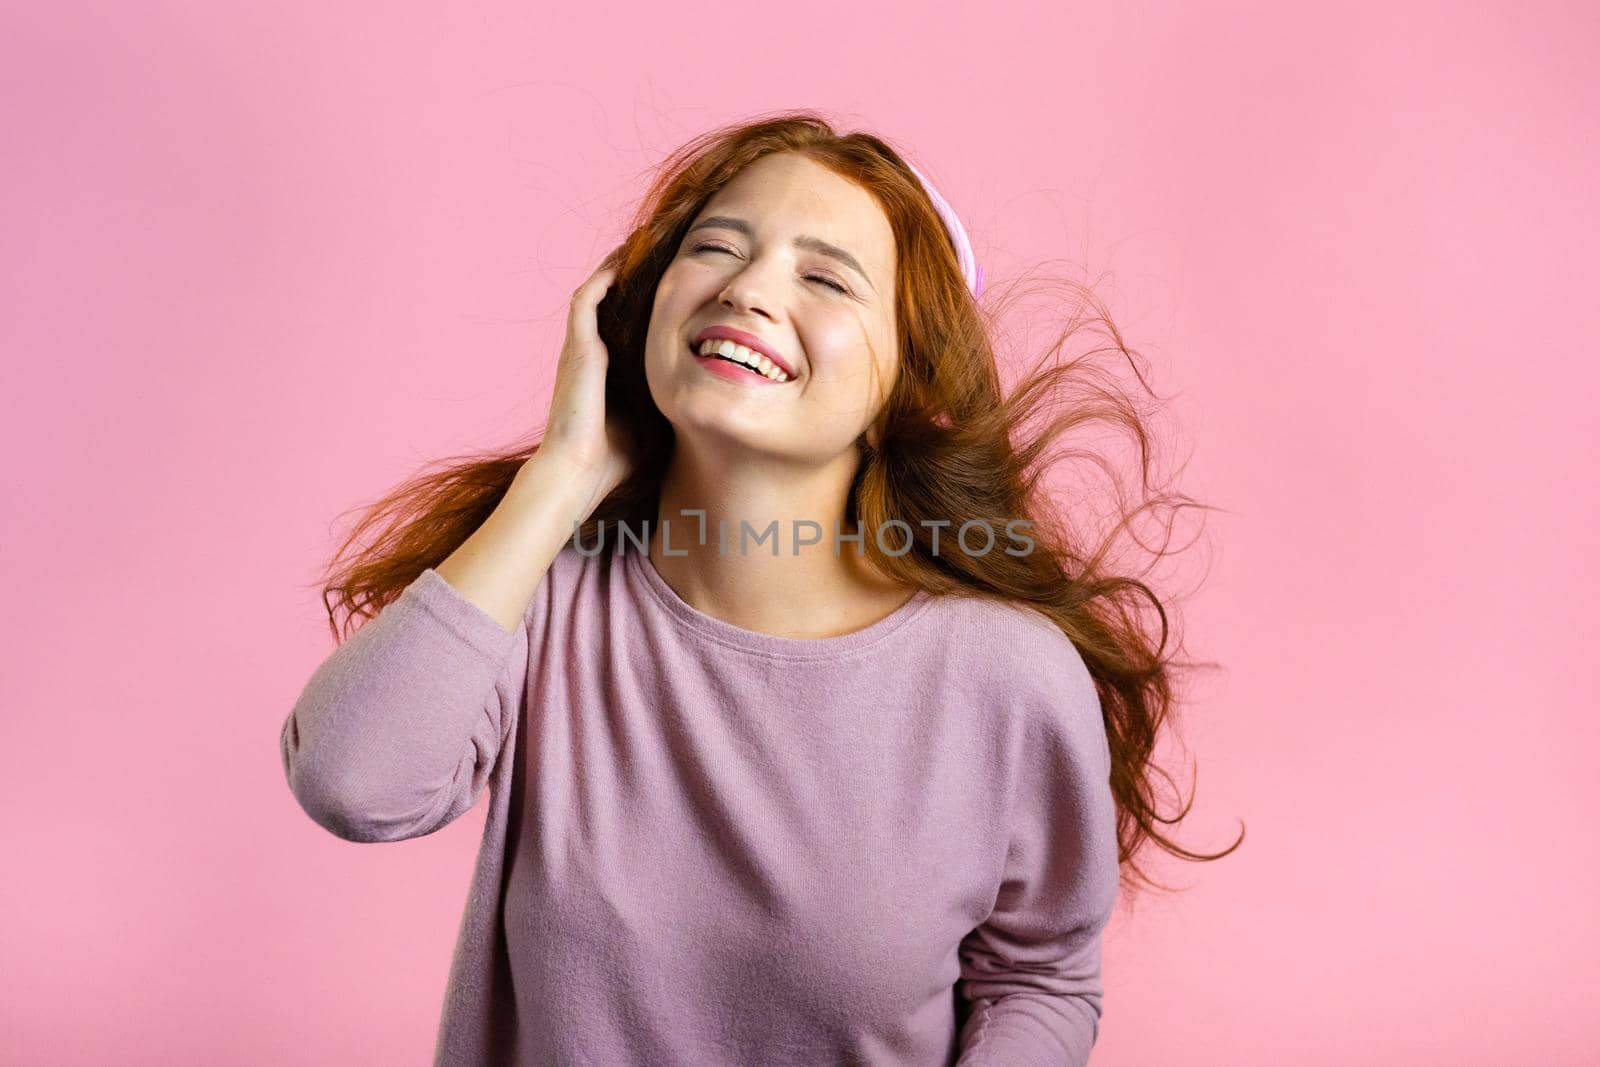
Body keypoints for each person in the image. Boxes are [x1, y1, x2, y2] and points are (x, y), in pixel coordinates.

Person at [280, 110, 1238, 1066]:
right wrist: (565, 471)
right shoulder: (541, 605)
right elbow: (352, 782)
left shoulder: (1005, 673)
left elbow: (1040, 980)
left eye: (824, 276)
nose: (747, 290)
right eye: (714, 248)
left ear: (914, 382)